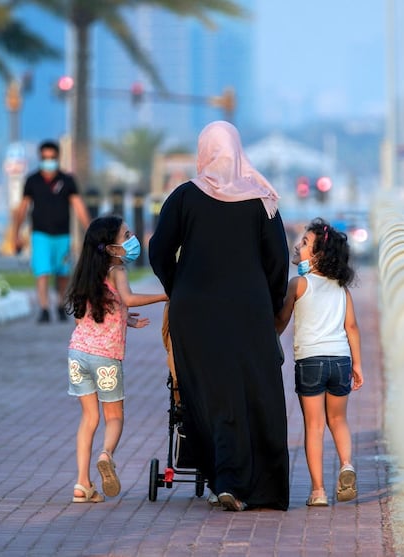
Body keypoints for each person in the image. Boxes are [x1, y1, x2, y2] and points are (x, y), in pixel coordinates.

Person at [148, 121, 290, 512]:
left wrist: (179, 288)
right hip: (248, 310)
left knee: (207, 393)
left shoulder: (183, 197)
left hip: (195, 312)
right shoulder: (262, 199)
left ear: (206, 151)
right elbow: (279, 261)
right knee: (253, 393)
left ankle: (222, 479)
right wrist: (272, 304)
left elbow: (159, 250)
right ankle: (253, 485)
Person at [64, 214, 168, 503]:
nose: (133, 239)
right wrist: (164, 296)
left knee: (89, 418)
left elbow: (91, 314)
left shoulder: (85, 272)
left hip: (77, 354)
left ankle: (82, 484)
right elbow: (128, 298)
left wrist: (124, 320)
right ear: (111, 248)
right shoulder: (116, 269)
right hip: (105, 358)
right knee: (115, 417)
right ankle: (106, 454)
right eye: (127, 235)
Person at [275, 217, 364, 506]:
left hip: (311, 361)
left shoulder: (298, 284)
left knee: (314, 427)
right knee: (338, 420)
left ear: (317, 255)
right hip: (340, 360)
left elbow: (282, 321)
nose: (298, 245)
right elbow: (352, 327)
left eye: (304, 243)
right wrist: (357, 365)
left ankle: (318, 492)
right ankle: (347, 464)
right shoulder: (341, 288)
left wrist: (270, 331)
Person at [13, 140, 91, 324]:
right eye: (45, 158)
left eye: (52, 158)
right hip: (40, 234)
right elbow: (22, 208)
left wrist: (91, 230)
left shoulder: (67, 180)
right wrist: (16, 234)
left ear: (58, 157)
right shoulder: (32, 181)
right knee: (42, 271)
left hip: (62, 235)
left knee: (63, 273)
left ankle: (59, 305)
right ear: (40, 158)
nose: (49, 161)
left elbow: (79, 207)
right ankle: (44, 308)